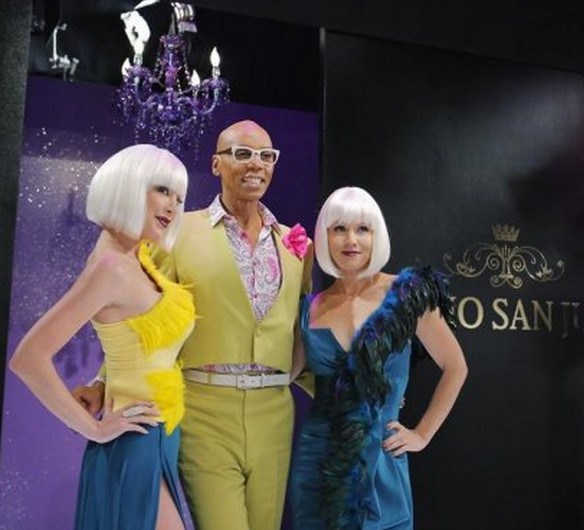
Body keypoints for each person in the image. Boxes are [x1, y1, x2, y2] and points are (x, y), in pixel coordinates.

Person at [75, 120, 313, 530]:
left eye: (266, 156)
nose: (256, 164)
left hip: (275, 412)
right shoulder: (178, 231)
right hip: (205, 409)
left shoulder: (296, 245)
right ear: (217, 164)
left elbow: (304, 330)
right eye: (242, 154)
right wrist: (102, 380)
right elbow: (146, 318)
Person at [9, 144, 194, 530]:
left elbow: (132, 341)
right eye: (163, 190)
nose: (173, 206)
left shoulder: (137, 258)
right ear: (129, 185)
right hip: (134, 441)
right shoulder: (112, 267)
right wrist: (92, 427)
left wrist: (99, 383)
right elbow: (28, 358)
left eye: (179, 197)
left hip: (157, 436)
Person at [290, 186, 468, 530]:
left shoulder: (406, 294)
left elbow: (456, 367)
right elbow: (288, 371)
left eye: (363, 229)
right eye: (339, 229)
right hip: (321, 463)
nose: (351, 240)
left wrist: (422, 434)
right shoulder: (310, 308)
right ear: (324, 237)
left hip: (384, 460)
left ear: (377, 235)